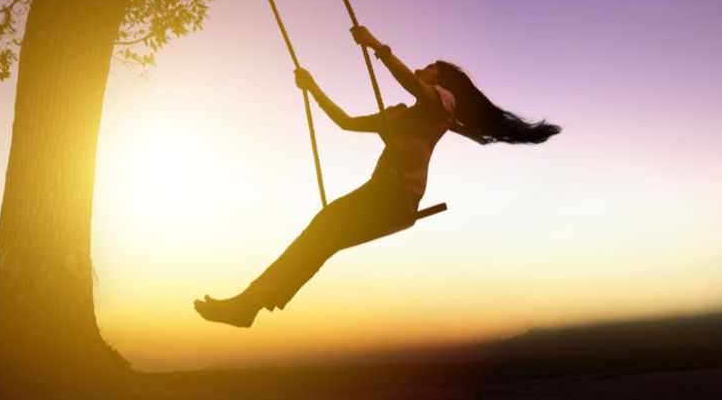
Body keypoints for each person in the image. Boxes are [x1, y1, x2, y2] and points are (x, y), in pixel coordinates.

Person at [193, 25, 561, 327]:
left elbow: (414, 85)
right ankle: (252, 304)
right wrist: (313, 88)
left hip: (399, 196)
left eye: (430, 67)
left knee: (323, 227)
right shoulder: (400, 114)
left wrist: (378, 48)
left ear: (442, 78)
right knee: (322, 239)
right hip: (381, 195)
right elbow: (346, 122)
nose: (423, 69)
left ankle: (250, 301)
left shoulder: (444, 103)